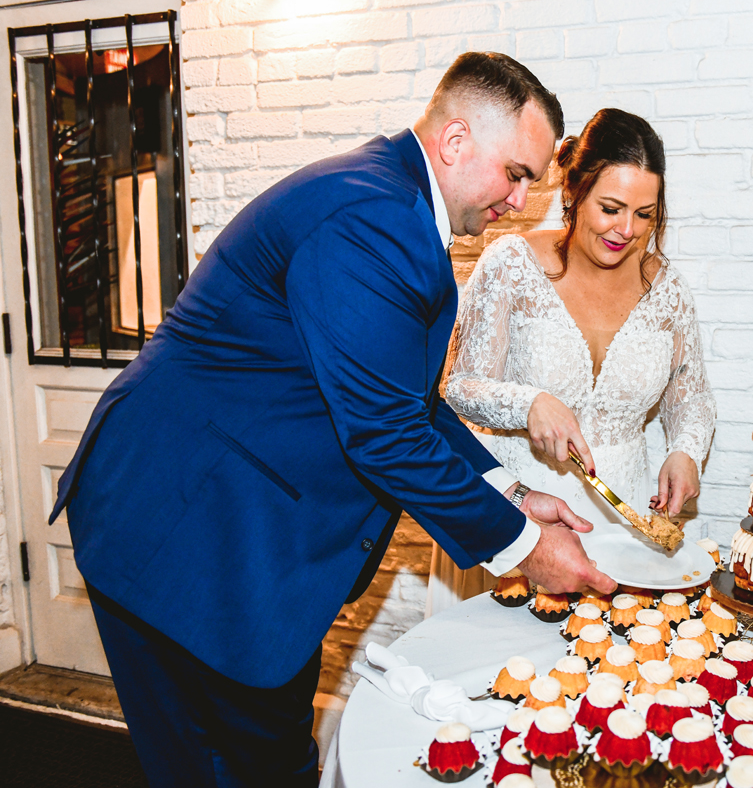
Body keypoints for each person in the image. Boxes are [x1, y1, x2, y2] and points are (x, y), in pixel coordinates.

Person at [47, 52, 616, 787]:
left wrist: (511, 493)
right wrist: (521, 547)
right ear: (454, 141)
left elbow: (404, 397)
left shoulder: (392, 202)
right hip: (180, 525)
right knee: (215, 765)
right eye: (517, 173)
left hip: (240, 530)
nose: (522, 199)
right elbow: (383, 429)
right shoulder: (371, 216)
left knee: (270, 758)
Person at [429, 108, 717, 612]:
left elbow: (691, 398)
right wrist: (529, 403)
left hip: (621, 526)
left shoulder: (667, 288)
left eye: (645, 214)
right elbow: (457, 387)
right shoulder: (511, 265)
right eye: (611, 207)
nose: (626, 229)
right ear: (575, 191)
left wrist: (686, 451)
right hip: (519, 515)